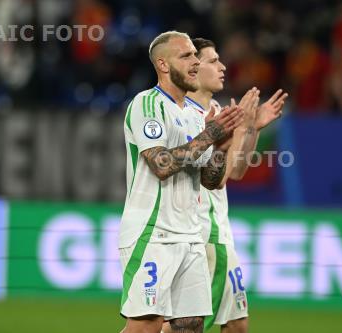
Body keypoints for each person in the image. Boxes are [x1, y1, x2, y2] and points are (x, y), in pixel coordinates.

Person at [119, 31, 244, 333]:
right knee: (146, 326)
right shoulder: (147, 104)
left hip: (190, 236)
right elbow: (162, 164)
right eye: (186, 56)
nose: (194, 63)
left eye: (194, 55)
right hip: (153, 233)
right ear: (163, 64)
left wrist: (221, 147)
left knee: (190, 326)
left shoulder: (193, 115)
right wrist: (210, 136)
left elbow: (210, 181)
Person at [163, 38, 287, 333]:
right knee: (181, 327)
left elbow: (239, 170)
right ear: (193, 68)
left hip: (218, 231)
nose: (223, 66)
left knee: (236, 325)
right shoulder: (181, 115)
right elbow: (212, 179)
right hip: (198, 234)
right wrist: (240, 129)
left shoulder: (222, 112)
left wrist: (251, 130)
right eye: (213, 61)